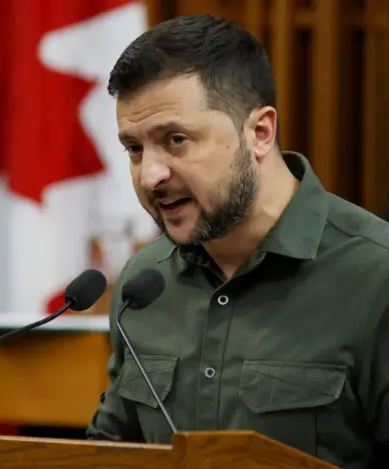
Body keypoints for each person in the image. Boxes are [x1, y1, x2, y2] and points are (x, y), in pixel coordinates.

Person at [85, 13, 389, 469]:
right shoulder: (144, 283)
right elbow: (112, 450)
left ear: (260, 133)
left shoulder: (376, 275)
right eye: (134, 148)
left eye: (177, 139)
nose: (150, 175)